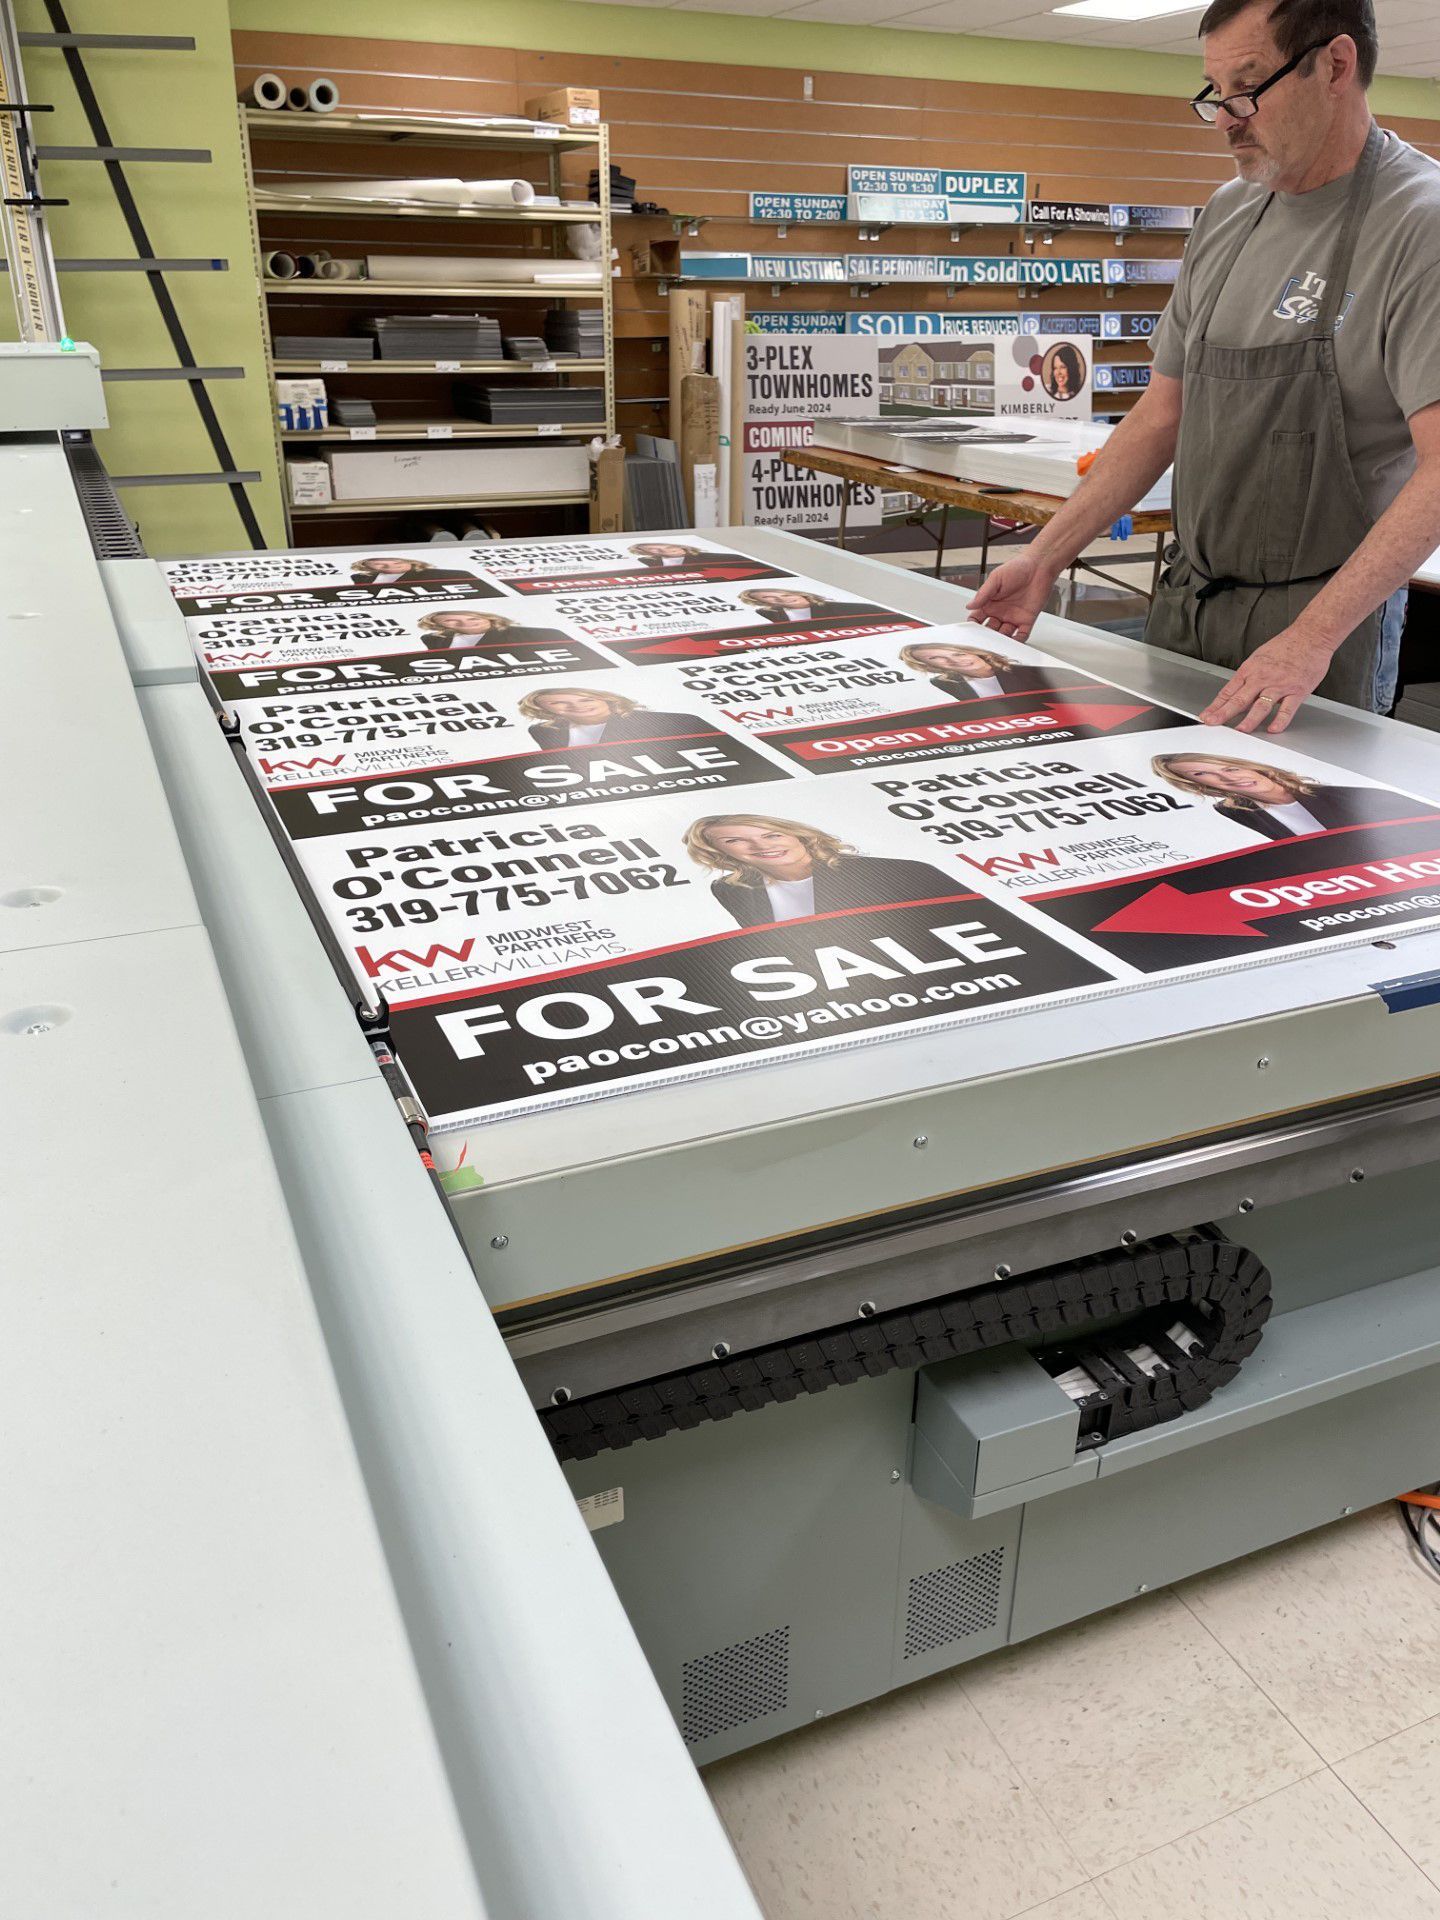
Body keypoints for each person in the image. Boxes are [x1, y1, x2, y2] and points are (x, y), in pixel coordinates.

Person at [969, 0, 1440, 736]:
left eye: (1248, 88)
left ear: (1336, 66)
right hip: (1187, 598)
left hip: (1319, 629)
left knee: (1290, 838)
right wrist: (1044, 558)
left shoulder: (1419, 225)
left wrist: (1310, 641)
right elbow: (1161, 416)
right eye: (1214, 92)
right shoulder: (1228, 213)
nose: (1226, 118)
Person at [684, 812, 963, 928]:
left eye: (773, 835)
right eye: (735, 841)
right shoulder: (730, 889)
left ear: (799, 836)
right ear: (719, 853)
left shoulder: (900, 873)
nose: (759, 845)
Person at [1152, 748, 1407, 837]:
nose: (1227, 776)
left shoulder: (1344, 795)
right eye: (1201, 774)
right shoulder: (1232, 814)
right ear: (1198, 786)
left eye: (1230, 768)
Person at [518, 686, 708, 749]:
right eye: (558, 703)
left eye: (586, 699)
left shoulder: (676, 721)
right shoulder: (543, 731)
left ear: (608, 700)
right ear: (543, 710)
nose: (576, 706)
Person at [899, 639, 1070, 699]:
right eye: (936, 659)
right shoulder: (944, 685)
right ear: (932, 666)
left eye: (959, 654)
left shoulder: (1031, 673)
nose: (953, 660)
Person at [415, 609, 576, 651]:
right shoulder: (432, 640)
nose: (465, 623)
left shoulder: (541, 635)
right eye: (450, 620)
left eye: (473, 618)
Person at [736, 587, 884, 626]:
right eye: (769, 598)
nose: (780, 598)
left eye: (785, 594)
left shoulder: (852, 609)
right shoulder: (766, 616)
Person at [349, 554, 482, 587]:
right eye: (377, 563)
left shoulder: (453, 575)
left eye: (395, 561)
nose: (388, 565)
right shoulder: (360, 578)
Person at [628, 541, 709, 569]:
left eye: (669, 547)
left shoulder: (710, 557)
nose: (667, 550)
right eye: (651, 550)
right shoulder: (647, 562)